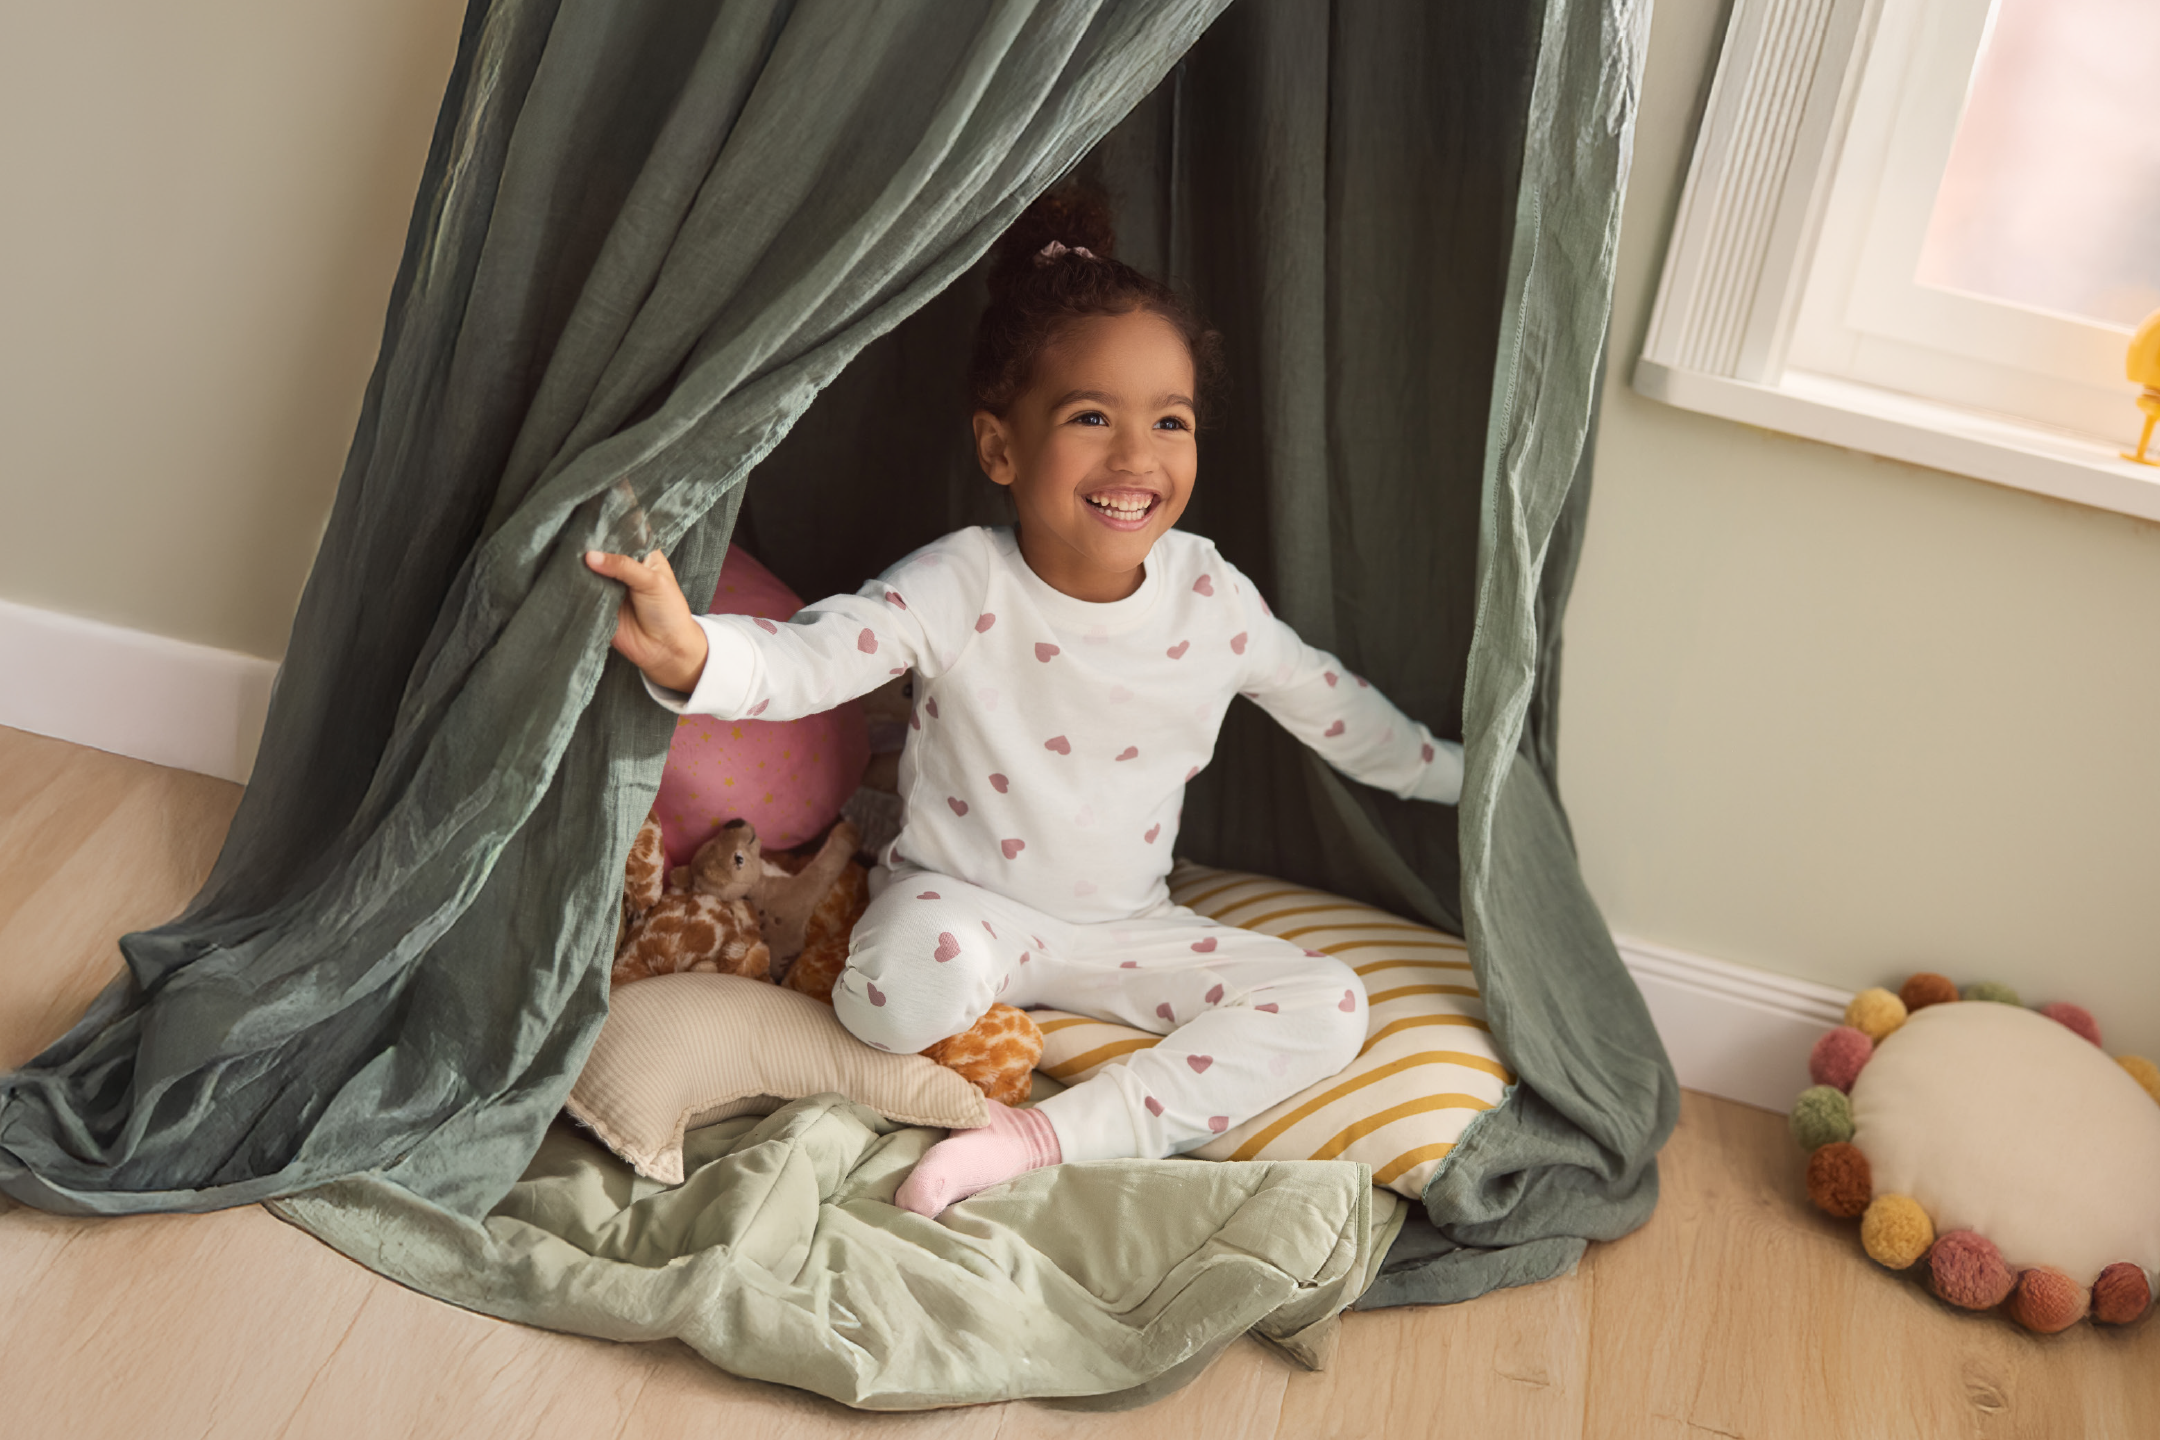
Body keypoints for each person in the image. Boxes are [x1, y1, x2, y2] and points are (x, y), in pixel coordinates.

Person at [583, 186, 1464, 1217]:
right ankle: (949, 1035)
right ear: (1001, 449)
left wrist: (1459, 778)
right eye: (1092, 418)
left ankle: (1041, 1137)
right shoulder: (963, 582)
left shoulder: (1211, 596)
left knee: (1331, 1004)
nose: (1136, 457)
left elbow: (1332, 704)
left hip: (1126, 928)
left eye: (1168, 422)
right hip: (962, 906)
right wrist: (694, 654)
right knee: (900, 994)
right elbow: (815, 658)